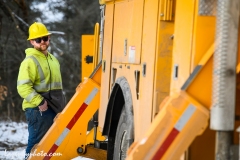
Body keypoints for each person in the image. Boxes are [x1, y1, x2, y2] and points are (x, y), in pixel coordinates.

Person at [17, 22, 64, 159]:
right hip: (38, 110)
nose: (42, 41)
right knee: (36, 145)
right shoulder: (29, 61)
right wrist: (40, 102)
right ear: (32, 41)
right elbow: (23, 87)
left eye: (45, 38)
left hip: (54, 109)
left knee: (51, 146)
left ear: (49, 38)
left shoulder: (53, 59)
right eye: (38, 39)